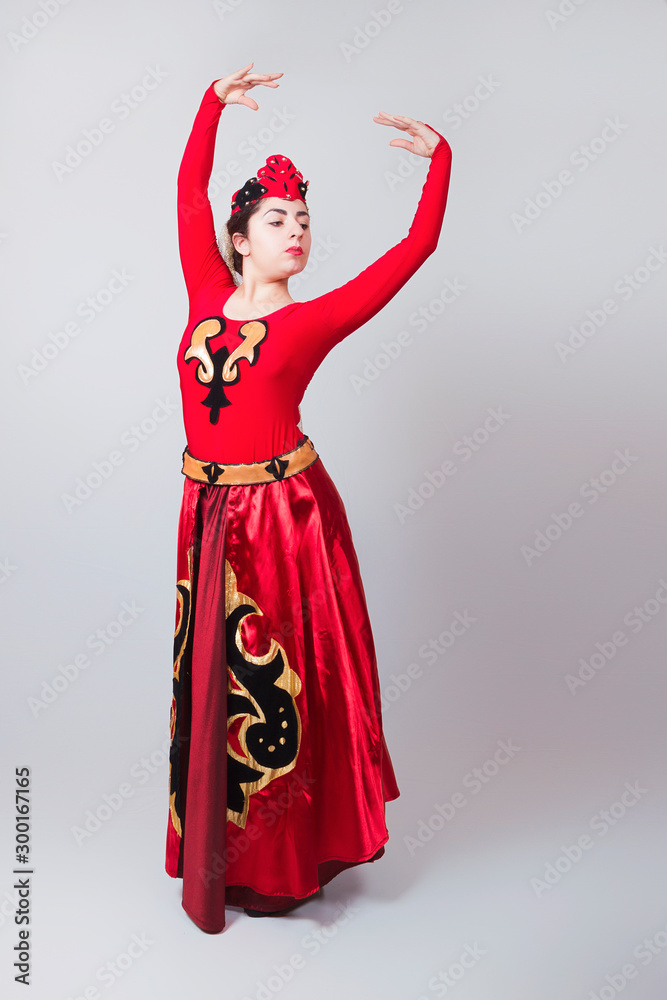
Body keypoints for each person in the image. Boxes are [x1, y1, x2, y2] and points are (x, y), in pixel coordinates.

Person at [165, 62, 453, 933]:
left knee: (283, 690)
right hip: (206, 513)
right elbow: (187, 186)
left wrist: (439, 163)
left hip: (282, 517)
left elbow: (415, 251)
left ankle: (287, 862)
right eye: (277, 220)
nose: (296, 232)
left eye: (304, 221)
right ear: (239, 238)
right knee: (213, 686)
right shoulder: (205, 294)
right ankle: (224, 851)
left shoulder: (310, 319)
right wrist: (211, 103)